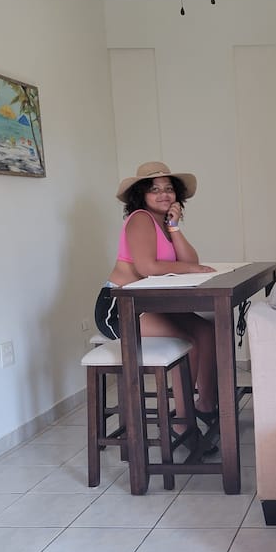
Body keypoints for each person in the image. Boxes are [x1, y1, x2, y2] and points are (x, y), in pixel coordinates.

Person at [94, 161, 218, 429]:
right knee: (189, 340)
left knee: (206, 331)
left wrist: (174, 226)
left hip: (148, 304)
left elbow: (191, 261)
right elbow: (147, 267)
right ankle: (183, 422)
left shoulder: (163, 223)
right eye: (155, 189)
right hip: (119, 307)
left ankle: (206, 406)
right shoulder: (140, 218)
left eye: (168, 189)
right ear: (142, 195)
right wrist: (191, 268)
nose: (163, 194)